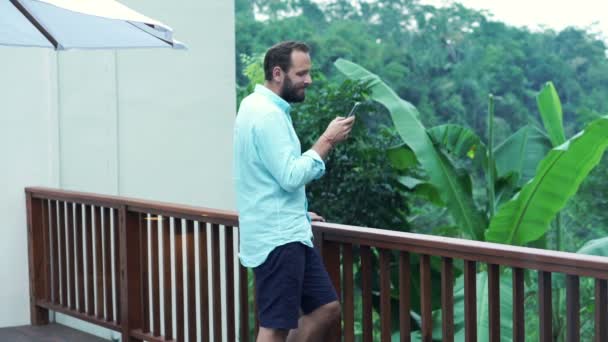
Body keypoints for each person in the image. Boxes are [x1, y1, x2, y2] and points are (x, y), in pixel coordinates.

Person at [233, 40, 355, 342]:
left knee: (327, 308)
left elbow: (266, 173)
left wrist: (298, 211)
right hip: (278, 238)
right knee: (274, 326)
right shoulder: (267, 115)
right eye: (301, 74)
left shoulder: (254, 105)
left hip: (287, 227)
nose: (308, 80)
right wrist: (327, 140)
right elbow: (289, 176)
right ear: (278, 73)